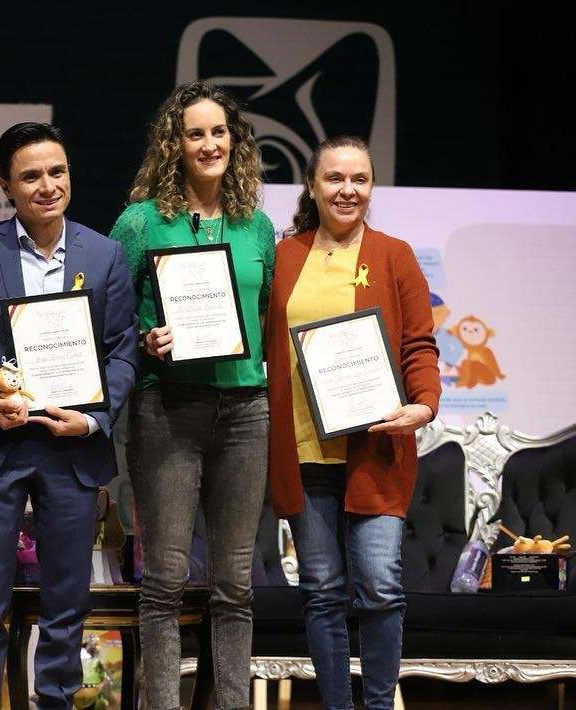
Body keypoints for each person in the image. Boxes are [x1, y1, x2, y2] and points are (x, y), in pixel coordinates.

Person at [0, 122, 136, 709]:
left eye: (58, 171)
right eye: (31, 175)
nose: (48, 185)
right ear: (6, 184)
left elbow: (122, 352)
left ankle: (56, 701)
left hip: (71, 448)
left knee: (67, 603)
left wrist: (93, 420)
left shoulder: (104, 255)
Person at [109, 81, 274, 708]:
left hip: (245, 412)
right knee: (165, 581)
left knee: (235, 585)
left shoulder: (257, 226)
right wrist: (145, 339)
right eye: (195, 133)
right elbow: (110, 314)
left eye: (219, 132)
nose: (209, 144)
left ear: (235, 141)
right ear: (173, 144)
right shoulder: (141, 221)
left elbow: (261, 311)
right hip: (168, 408)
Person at [265, 135, 440, 710]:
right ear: (312, 186)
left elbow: (419, 345)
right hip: (303, 450)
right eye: (335, 178)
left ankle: (379, 705)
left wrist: (424, 404)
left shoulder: (395, 254)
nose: (348, 190)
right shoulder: (284, 256)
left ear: (371, 187)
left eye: (359, 179)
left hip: (376, 449)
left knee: (381, 588)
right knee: (320, 592)